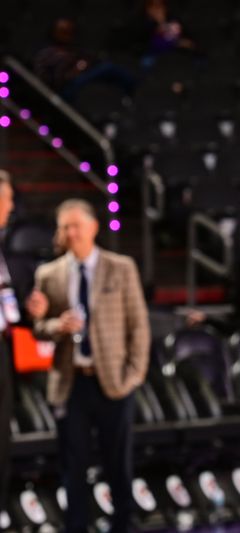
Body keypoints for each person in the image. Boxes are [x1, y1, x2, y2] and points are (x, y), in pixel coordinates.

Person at [33, 199, 150, 533]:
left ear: (93, 227)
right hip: (72, 383)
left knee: (119, 464)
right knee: (73, 466)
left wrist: (134, 375)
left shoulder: (121, 267)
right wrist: (56, 325)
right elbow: (40, 327)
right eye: (65, 227)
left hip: (114, 381)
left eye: (76, 226)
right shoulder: (49, 273)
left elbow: (138, 326)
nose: (71, 233)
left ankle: (122, 526)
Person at [0, 170, 48, 528]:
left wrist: (29, 314)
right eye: (6, 199)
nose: (11, 207)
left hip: (5, 349)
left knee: (3, 442)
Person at [33, 18, 136, 102]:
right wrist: (74, 71)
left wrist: (84, 64)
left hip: (83, 79)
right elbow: (47, 82)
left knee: (108, 69)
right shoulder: (45, 54)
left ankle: (129, 94)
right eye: (64, 32)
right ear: (54, 32)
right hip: (63, 91)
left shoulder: (72, 48)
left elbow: (89, 59)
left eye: (70, 31)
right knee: (107, 68)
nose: (68, 35)